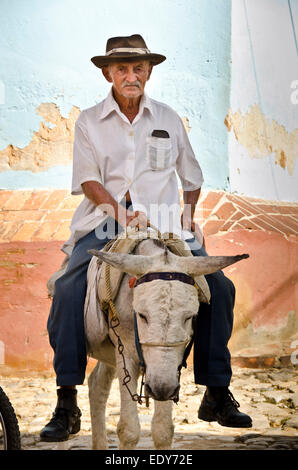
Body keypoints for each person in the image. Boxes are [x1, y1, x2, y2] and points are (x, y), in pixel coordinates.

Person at [40, 34, 252, 442]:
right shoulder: (88, 121)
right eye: (122, 68)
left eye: (138, 68)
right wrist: (122, 215)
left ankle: (216, 390)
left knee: (220, 287)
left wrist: (188, 217)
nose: (131, 75)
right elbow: (89, 182)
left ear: (149, 71)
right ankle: (66, 400)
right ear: (108, 73)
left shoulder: (168, 118)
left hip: (168, 228)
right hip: (102, 225)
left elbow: (192, 177)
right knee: (68, 288)